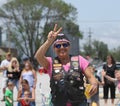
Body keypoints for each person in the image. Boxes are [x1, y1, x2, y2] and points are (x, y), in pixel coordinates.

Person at [35, 24, 98, 106]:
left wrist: (94, 84)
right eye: (58, 45)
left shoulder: (79, 60)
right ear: (54, 48)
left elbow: (90, 77)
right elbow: (38, 56)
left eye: (65, 44)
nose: (62, 47)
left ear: (69, 46)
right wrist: (49, 41)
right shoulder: (50, 62)